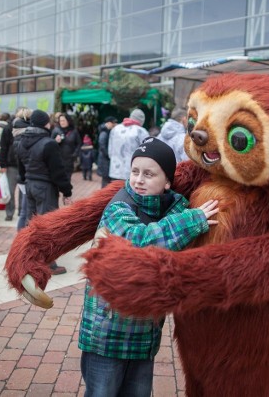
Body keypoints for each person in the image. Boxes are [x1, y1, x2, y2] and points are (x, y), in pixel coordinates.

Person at [79, 137, 219, 397]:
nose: (139, 179)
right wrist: (193, 220)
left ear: (167, 181)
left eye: (149, 174)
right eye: (134, 172)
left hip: (144, 337)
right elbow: (141, 240)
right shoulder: (119, 207)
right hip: (107, 335)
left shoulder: (174, 209)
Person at [16, 109, 72, 275]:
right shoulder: (49, 143)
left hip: (29, 185)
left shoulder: (21, 142)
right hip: (45, 187)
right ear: (45, 123)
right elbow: (58, 172)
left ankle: (28, 257)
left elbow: (21, 169)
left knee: (32, 224)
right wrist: (66, 191)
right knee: (48, 226)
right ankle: (48, 263)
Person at [0, 107, 31, 221]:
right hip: (13, 163)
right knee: (14, 190)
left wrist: (2, 164)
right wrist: (2, 164)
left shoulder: (29, 127)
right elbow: (3, 147)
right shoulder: (9, 128)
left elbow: (2, 147)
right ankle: (12, 212)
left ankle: (18, 212)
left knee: (18, 190)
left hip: (18, 163)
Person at [108, 108, 149, 181]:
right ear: (141, 120)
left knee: (115, 191)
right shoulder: (141, 131)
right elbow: (147, 153)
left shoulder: (115, 129)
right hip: (131, 173)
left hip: (115, 171)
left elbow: (110, 152)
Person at [52, 112, 82, 181]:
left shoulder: (74, 131)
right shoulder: (56, 131)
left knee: (67, 180)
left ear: (68, 121)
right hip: (58, 160)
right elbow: (50, 144)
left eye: (63, 120)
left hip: (69, 160)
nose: (62, 122)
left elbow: (79, 144)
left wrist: (75, 154)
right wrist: (55, 141)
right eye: (60, 121)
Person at [97, 116, 118, 188]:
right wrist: (109, 156)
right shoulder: (104, 133)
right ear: (109, 123)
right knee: (105, 181)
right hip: (105, 161)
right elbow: (102, 146)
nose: (115, 125)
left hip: (106, 160)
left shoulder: (107, 131)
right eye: (114, 123)